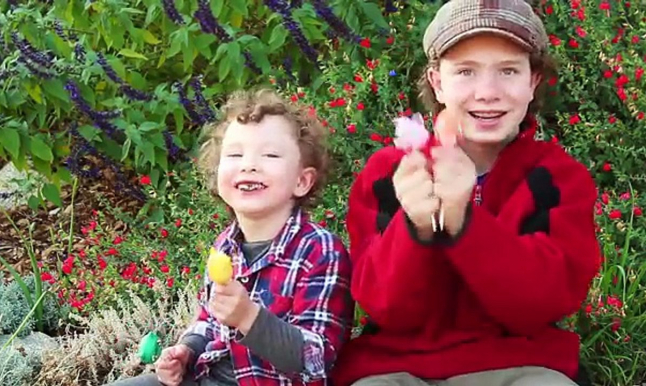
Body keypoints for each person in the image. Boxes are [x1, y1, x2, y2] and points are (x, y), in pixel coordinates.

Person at [331, 1, 601, 386]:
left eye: (508, 71)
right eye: (465, 72)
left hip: (522, 364)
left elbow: (541, 304)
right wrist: (416, 227)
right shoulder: (388, 174)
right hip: (396, 368)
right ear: (438, 82)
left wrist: (464, 223)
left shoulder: (559, 178)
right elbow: (384, 307)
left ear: (533, 82)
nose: (487, 92)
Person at [107, 88, 354, 386]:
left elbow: (317, 361)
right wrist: (186, 350)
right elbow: (209, 322)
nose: (249, 164)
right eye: (235, 154)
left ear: (302, 181)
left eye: (270, 155)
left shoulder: (319, 250)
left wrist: (250, 317)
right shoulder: (226, 245)